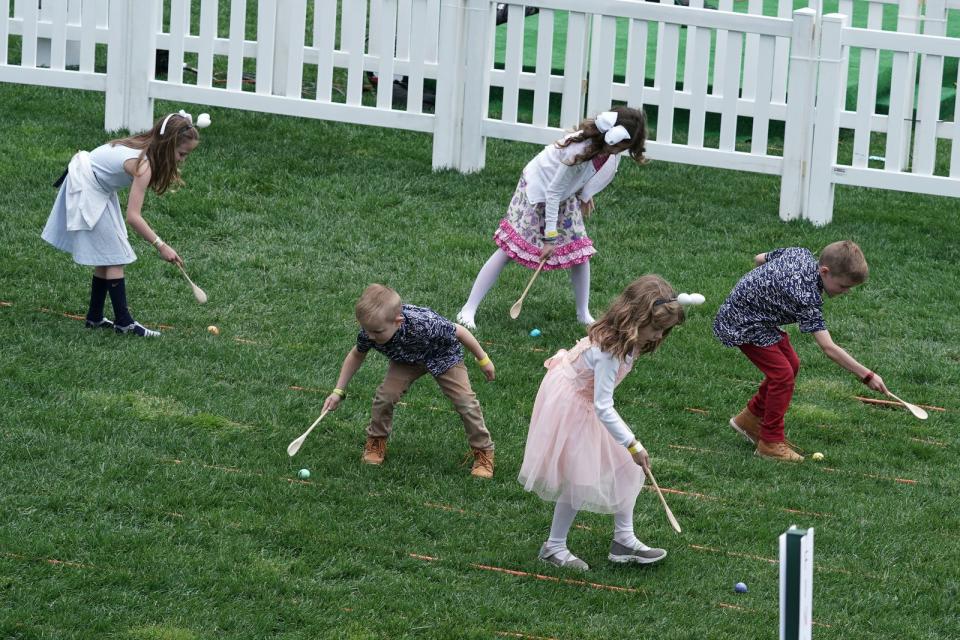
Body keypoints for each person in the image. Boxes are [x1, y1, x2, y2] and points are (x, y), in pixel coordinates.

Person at [519, 275, 695, 571]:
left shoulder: (628, 340)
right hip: (572, 403)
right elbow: (603, 406)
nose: (657, 337)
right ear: (635, 318)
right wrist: (632, 443)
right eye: (655, 329)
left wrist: (630, 448)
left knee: (626, 465)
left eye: (663, 331)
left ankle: (623, 540)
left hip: (586, 400)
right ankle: (553, 547)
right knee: (579, 475)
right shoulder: (609, 353)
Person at [456, 106, 648, 329]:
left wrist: (585, 194)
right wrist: (550, 238)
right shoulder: (577, 151)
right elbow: (552, 193)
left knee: (580, 252)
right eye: (622, 146)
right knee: (509, 250)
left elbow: (600, 172)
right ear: (611, 137)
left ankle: (583, 313)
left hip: (563, 194)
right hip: (539, 192)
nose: (620, 152)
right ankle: (468, 309)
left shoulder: (609, 151)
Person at [714, 241, 889, 462]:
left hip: (755, 317)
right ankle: (770, 442)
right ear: (824, 272)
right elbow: (828, 347)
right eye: (844, 286)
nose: (846, 292)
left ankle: (749, 420)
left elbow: (760, 258)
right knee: (782, 375)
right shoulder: (807, 297)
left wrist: (756, 292)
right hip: (742, 323)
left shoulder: (800, 254)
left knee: (791, 364)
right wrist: (867, 375)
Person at [41, 109, 210, 337]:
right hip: (86, 187)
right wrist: (161, 245)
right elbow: (133, 216)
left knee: (108, 255)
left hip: (99, 187)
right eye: (182, 154)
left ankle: (95, 318)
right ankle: (124, 323)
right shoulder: (144, 165)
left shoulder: (146, 145)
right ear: (169, 145)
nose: (182, 160)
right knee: (115, 256)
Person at [322, 284, 497, 478]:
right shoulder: (372, 329)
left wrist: (484, 360)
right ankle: (376, 441)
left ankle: (483, 452)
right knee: (385, 397)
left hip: (443, 356)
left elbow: (461, 332)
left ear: (398, 321)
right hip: (406, 361)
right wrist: (338, 391)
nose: (370, 336)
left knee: (466, 403)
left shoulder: (426, 323)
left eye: (377, 332)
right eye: (367, 330)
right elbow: (356, 355)